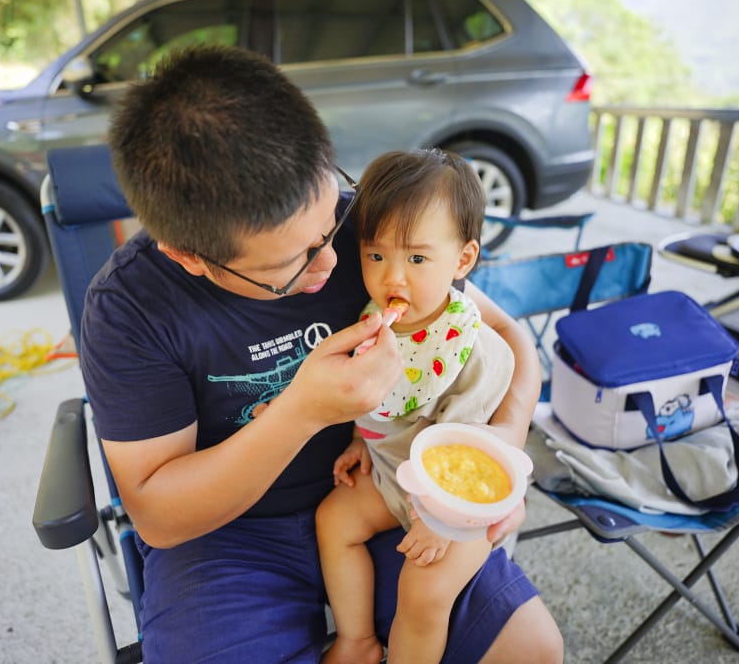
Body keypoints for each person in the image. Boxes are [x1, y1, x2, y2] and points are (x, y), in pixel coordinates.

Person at [81, 43, 563, 663]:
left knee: (531, 650)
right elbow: (159, 516)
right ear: (189, 257)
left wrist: (501, 453)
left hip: (391, 486)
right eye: (293, 264)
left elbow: (507, 335)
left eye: (330, 229)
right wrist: (303, 411)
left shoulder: (370, 225)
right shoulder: (130, 311)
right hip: (228, 541)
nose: (332, 263)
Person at [316, 148, 517, 664]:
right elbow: (371, 393)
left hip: (458, 499)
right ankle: (357, 640)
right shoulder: (375, 321)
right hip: (390, 474)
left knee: (423, 593)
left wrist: (440, 515)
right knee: (333, 522)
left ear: (463, 261)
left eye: (417, 259)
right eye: (375, 256)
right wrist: (360, 439)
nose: (393, 278)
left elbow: (466, 450)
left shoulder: (471, 345)